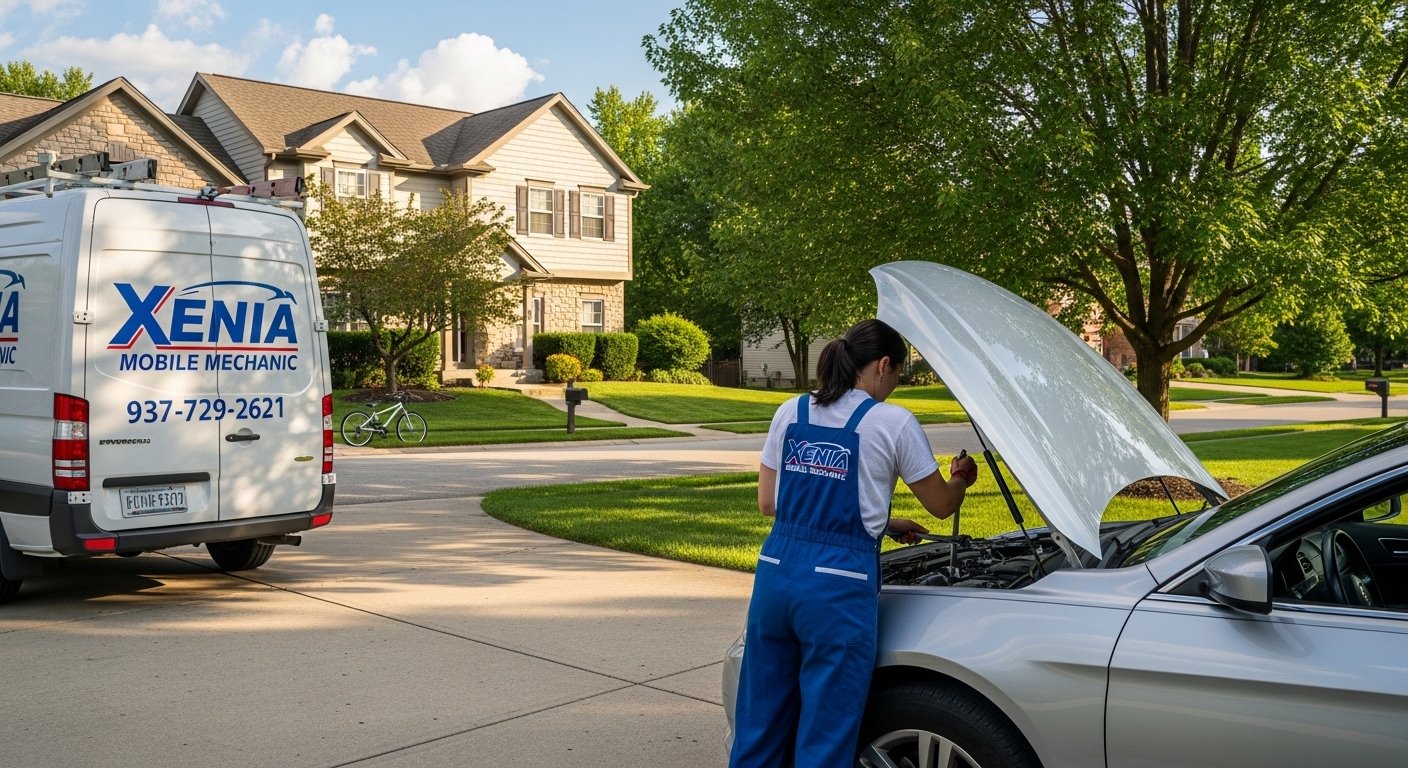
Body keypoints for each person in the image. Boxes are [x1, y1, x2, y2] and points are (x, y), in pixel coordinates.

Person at [729, 318, 978, 768]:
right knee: (825, 736)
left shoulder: (792, 411)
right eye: (898, 375)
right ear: (884, 365)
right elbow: (941, 505)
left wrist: (879, 521)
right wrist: (960, 478)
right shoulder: (893, 423)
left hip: (776, 576)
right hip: (837, 592)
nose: (896, 386)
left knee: (759, 727)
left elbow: (770, 504)